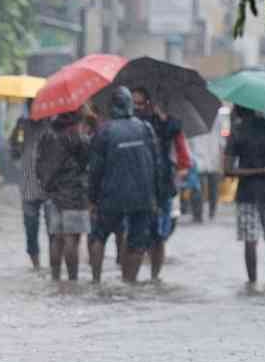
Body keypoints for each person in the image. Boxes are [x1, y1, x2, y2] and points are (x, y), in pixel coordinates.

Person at [88, 87, 160, 283]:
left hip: (111, 196)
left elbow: (95, 170)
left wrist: (92, 199)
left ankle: (95, 281)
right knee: (137, 242)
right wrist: (157, 197)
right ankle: (130, 282)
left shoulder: (104, 132)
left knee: (98, 236)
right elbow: (157, 164)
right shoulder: (146, 129)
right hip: (142, 198)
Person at [131, 87, 191, 280]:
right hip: (137, 186)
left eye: (140, 103)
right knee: (136, 235)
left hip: (162, 185)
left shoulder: (167, 123)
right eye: (133, 103)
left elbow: (180, 146)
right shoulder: (130, 124)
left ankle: (154, 278)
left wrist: (163, 118)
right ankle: (131, 277)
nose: (136, 107)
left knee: (159, 236)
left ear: (149, 103)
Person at [36, 109, 91, 281]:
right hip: (74, 193)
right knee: (71, 239)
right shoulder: (77, 138)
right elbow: (86, 163)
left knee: (55, 238)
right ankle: (72, 280)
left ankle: (55, 278)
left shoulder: (46, 136)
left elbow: (39, 164)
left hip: (52, 193)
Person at [223, 105, 265, 283]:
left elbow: (228, 170)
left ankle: (252, 283)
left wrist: (256, 171)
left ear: (237, 111)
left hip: (247, 193)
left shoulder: (237, 132)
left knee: (250, 241)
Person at [9, 99, 49, 270]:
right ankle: (37, 266)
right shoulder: (21, 126)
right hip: (28, 185)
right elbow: (14, 152)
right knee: (30, 229)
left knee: (54, 230)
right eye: (31, 105)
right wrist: (18, 133)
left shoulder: (52, 125)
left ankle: (54, 266)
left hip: (49, 186)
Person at [189, 119, 224, 221]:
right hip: (199, 160)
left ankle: (207, 212)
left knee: (210, 189)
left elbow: (221, 143)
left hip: (211, 159)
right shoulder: (216, 119)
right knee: (199, 189)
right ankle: (199, 213)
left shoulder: (217, 121)